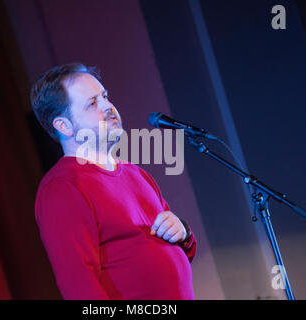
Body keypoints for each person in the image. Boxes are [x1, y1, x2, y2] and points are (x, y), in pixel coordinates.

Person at [30, 63, 197, 300]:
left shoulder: (136, 174)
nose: (108, 107)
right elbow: (79, 286)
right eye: (92, 103)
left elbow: (179, 250)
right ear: (64, 126)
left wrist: (183, 233)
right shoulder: (62, 188)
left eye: (105, 97)